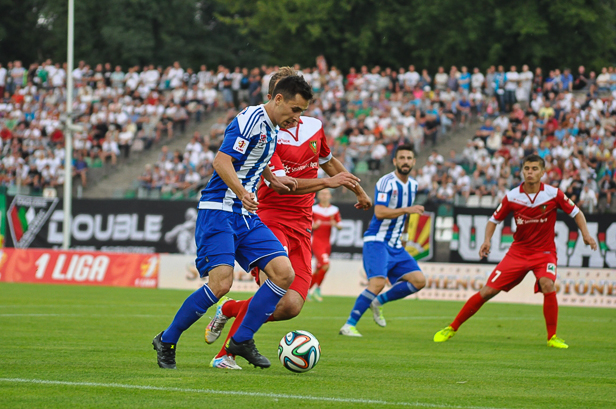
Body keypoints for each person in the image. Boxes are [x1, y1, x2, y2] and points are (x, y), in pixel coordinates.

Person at [205, 68, 372, 369]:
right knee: (275, 285)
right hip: (269, 218)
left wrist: (358, 190)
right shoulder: (266, 133)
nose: (293, 113)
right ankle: (226, 354)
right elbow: (282, 183)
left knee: (290, 306)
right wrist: (327, 184)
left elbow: (328, 161)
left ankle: (228, 308)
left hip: (302, 224)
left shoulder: (314, 127)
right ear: (274, 98)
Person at [152, 75, 313, 370]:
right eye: (294, 109)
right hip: (219, 211)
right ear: (278, 99)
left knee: (283, 273)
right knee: (221, 283)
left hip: (245, 214)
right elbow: (221, 161)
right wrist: (242, 191)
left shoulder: (272, 128)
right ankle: (167, 339)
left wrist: (272, 179)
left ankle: (241, 339)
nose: (297, 117)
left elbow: (256, 159)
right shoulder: (250, 119)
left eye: (301, 111)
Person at [434, 154, 597, 349]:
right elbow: (494, 220)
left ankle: (552, 337)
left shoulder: (554, 194)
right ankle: (452, 328)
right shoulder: (512, 196)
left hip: (544, 253)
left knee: (547, 284)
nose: (530, 172)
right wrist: (487, 240)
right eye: (527, 168)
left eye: (535, 169)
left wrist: (586, 234)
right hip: (518, 252)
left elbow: (577, 212)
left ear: (543, 172)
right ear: (522, 171)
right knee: (487, 291)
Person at [340, 144, 427, 337]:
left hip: (396, 245)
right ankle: (349, 325)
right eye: (402, 158)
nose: (406, 161)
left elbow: (404, 218)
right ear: (395, 161)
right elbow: (379, 212)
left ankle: (378, 301)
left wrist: (403, 239)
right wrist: (406, 210)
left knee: (419, 280)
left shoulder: (412, 185)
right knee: (377, 283)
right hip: (377, 241)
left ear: (413, 162)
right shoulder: (386, 182)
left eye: (409, 158)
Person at [308, 188, 342, 301]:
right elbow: (306, 225)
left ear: (330, 196)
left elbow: (340, 226)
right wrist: (313, 225)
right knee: (326, 265)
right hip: (317, 242)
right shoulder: (314, 209)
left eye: (326, 194)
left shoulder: (334, 210)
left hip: (327, 243)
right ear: (318, 196)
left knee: (319, 268)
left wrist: (335, 225)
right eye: (322, 194)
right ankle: (317, 289)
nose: (324, 196)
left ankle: (307, 290)